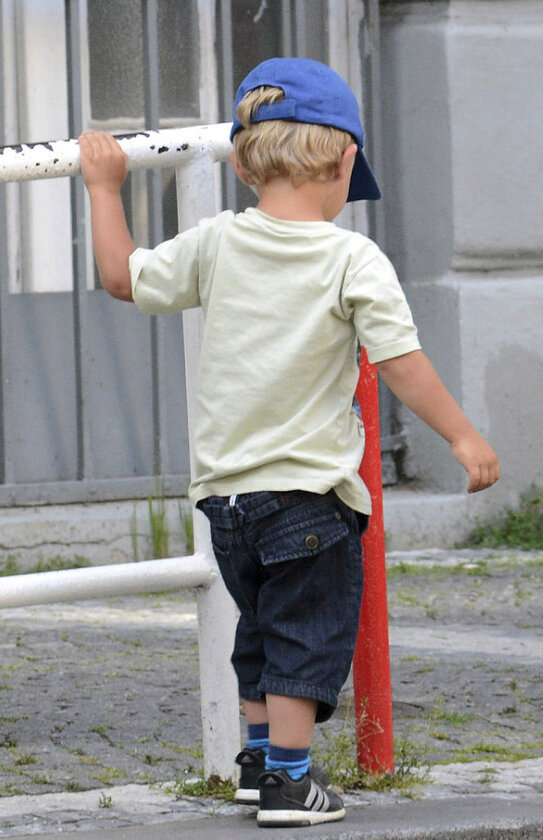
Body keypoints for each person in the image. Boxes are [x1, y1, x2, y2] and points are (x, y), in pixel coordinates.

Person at [79, 57, 499, 828]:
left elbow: (121, 278)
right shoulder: (351, 258)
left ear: (241, 165)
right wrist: (464, 438)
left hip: (226, 500)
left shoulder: (215, 245)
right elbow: (401, 364)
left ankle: (255, 762)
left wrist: (105, 188)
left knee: (261, 634)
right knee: (307, 639)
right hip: (308, 493)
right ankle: (291, 783)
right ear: (345, 163)